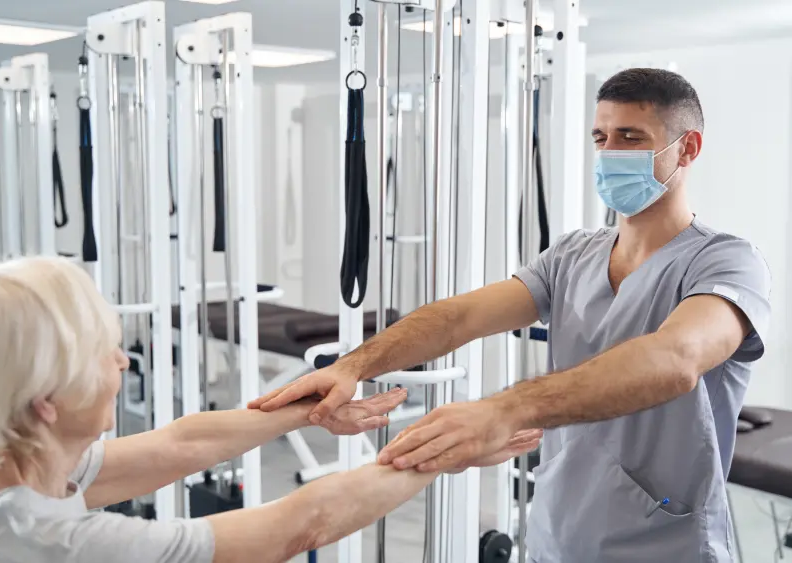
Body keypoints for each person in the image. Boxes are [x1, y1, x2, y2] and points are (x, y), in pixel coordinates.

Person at [251, 68, 772, 562]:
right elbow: (458, 318)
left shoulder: (724, 261)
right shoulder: (573, 254)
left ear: (688, 149)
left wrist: (503, 410)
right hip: (556, 531)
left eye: (631, 138)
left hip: (662, 543)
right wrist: (353, 366)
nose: (609, 152)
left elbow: (675, 358)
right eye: (600, 137)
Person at [0, 256, 542, 563]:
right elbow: (298, 526)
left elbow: (179, 445)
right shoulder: (54, 541)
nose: (122, 365)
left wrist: (307, 409)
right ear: (46, 402)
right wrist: (445, 450)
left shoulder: (19, 474)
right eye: (100, 355)